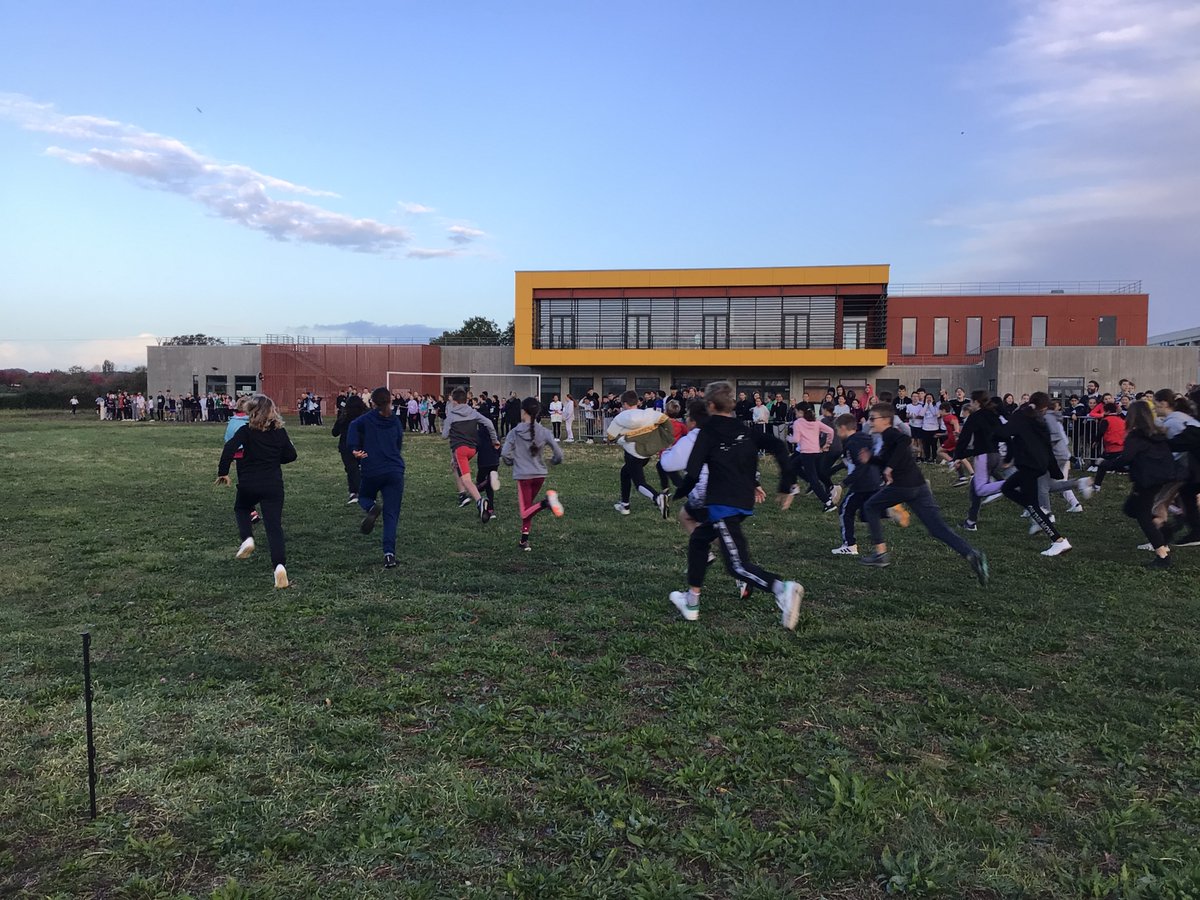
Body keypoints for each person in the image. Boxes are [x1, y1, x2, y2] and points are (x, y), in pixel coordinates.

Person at [670, 381, 804, 629]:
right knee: (699, 540)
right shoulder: (743, 429)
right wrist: (787, 484)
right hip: (740, 500)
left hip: (723, 503)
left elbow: (693, 471)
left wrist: (679, 492)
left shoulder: (708, 430)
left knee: (737, 565)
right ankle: (691, 601)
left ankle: (782, 589)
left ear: (710, 405)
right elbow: (778, 445)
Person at [859, 404, 989, 585]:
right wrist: (871, 459)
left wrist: (889, 468)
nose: (870, 422)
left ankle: (880, 554)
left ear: (886, 420)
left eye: (873, 419)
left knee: (870, 506)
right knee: (937, 528)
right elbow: (888, 458)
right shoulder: (886, 438)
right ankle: (971, 554)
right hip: (919, 486)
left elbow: (905, 441)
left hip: (903, 486)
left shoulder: (891, 433)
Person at [215, 395, 296, 589]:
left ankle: (247, 539)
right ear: (272, 412)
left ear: (252, 411)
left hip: (249, 482)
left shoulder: (246, 431)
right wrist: (275, 459)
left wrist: (223, 472)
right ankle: (279, 567)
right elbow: (291, 455)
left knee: (241, 508)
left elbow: (229, 448)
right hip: (273, 485)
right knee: (274, 527)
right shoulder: (280, 432)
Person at [1098, 400, 1179, 568]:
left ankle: (1162, 555)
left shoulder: (1136, 436)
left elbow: (1126, 458)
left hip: (1146, 480)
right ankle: (1161, 526)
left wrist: (1105, 463)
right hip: (1159, 477)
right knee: (1130, 508)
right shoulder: (1157, 433)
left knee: (1142, 515)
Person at [997, 393, 1073, 557]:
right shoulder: (1038, 419)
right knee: (1007, 488)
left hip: (1029, 464)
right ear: (1043, 408)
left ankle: (1058, 540)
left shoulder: (1022, 415)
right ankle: (1039, 512)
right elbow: (1046, 444)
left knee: (1031, 504)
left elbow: (1005, 432)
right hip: (1038, 464)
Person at [348, 387, 407, 569]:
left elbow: (352, 426)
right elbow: (398, 443)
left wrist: (354, 448)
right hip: (394, 470)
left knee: (364, 496)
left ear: (372, 402)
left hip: (372, 468)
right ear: (390, 401)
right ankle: (389, 554)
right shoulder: (395, 421)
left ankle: (372, 508)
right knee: (391, 515)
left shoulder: (367, 419)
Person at [500, 397, 565, 551]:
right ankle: (524, 540)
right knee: (529, 507)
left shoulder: (515, 432)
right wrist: (554, 461)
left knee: (524, 512)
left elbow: (505, 454)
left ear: (523, 411)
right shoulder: (544, 431)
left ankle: (546, 502)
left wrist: (510, 463)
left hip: (523, 476)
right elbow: (559, 454)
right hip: (539, 475)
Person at [607, 390, 671, 517]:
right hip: (646, 453)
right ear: (637, 402)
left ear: (625, 404)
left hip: (632, 453)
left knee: (639, 483)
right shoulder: (648, 414)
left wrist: (625, 434)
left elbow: (610, 436)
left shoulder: (620, 417)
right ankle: (624, 505)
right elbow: (665, 419)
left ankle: (657, 497)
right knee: (625, 473)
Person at [442, 387, 500, 523]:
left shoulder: (451, 415)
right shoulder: (473, 412)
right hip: (472, 449)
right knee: (454, 464)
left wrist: (448, 428)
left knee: (467, 479)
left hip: (460, 450)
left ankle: (479, 501)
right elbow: (490, 424)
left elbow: (444, 435)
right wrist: (494, 440)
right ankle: (462, 495)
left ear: (455, 402)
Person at [831, 413, 881, 556]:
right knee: (867, 513)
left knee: (845, 510)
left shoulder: (851, 444)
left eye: (837, 429)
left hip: (862, 484)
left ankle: (849, 545)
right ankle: (889, 511)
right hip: (874, 481)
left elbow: (861, 466)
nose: (837, 433)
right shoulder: (865, 438)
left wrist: (842, 484)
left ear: (843, 428)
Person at [790, 405, 836, 512]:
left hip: (807, 453)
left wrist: (789, 439)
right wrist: (828, 444)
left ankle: (828, 502)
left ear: (801, 413)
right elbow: (831, 431)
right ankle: (810, 482)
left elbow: (796, 439)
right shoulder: (816, 422)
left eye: (796, 412)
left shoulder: (798, 422)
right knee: (793, 465)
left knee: (814, 479)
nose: (796, 415)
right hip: (816, 452)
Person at [331, 393, 368, 504]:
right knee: (358, 469)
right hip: (362, 445)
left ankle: (356, 492)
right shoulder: (365, 416)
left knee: (352, 469)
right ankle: (356, 492)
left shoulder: (344, 417)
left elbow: (334, 432)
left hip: (346, 446)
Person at [474, 420, 502, 519]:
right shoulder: (494, 432)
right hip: (494, 461)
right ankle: (491, 510)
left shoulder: (479, 434)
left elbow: (475, 447)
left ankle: (482, 505)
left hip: (483, 462)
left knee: (478, 485)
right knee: (490, 487)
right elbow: (499, 446)